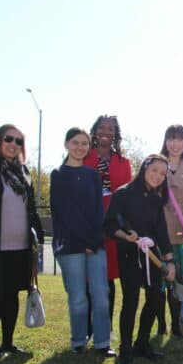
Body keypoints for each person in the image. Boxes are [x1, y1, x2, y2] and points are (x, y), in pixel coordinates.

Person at [103, 155, 177, 364]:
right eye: (154, 170)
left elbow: (161, 232)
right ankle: (125, 349)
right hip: (129, 255)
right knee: (131, 302)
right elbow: (108, 226)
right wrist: (127, 236)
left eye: (162, 174)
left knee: (155, 299)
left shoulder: (157, 197)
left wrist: (170, 261)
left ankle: (142, 343)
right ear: (145, 168)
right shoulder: (123, 193)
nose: (157, 176)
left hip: (151, 256)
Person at [0, 124, 44, 355]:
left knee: (13, 294)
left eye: (18, 141)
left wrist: (38, 233)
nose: (13, 144)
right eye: (9, 138)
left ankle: (8, 342)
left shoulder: (23, 171)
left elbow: (31, 208)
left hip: (21, 247)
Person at [50, 127, 114, 357]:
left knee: (101, 294)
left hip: (95, 243)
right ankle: (78, 341)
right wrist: (86, 240)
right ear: (66, 144)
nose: (80, 147)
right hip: (70, 245)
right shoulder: (58, 174)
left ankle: (103, 343)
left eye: (84, 143)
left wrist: (95, 240)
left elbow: (98, 210)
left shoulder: (92, 175)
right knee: (78, 298)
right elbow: (66, 213)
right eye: (75, 142)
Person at [83, 115, 132, 332]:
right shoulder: (82, 157)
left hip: (113, 229)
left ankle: (105, 330)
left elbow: (126, 198)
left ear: (116, 134)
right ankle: (85, 329)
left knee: (108, 281)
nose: (105, 131)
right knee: (86, 282)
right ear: (94, 131)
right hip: (87, 227)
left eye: (110, 129)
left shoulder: (124, 163)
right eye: (101, 128)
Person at [156, 124, 183, 337]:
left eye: (180, 139)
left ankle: (175, 325)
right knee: (157, 282)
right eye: (171, 139)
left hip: (179, 233)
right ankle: (160, 323)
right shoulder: (155, 164)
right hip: (155, 231)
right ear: (165, 141)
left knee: (177, 281)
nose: (175, 144)